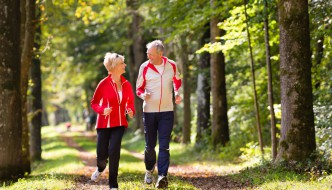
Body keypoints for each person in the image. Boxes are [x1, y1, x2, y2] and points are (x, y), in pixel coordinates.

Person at [136, 40, 182, 188]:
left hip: (167, 111)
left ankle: (162, 176)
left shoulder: (172, 65)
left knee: (164, 145)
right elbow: (138, 89)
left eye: (151, 54)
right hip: (149, 111)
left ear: (160, 54)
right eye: (147, 53)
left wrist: (177, 92)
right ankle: (149, 170)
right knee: (150, 146)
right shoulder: (144, 67)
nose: (148, 55)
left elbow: (177, 80)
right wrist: (144, 95)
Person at [90, 52, 135, 190]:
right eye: (122, 63)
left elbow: (130, 102)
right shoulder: (103, 84)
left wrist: (130, 110)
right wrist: (103, 110)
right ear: (114, 66)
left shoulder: (126, 84)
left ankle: (113, 185)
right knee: (102, 155)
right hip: (104, 124)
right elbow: (94, 102)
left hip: (120, 123)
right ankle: (100, 168)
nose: (125, 65)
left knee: (114, 151)